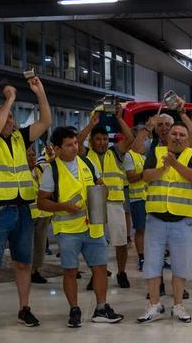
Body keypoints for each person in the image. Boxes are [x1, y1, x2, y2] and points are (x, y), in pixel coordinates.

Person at [0, 76, 52, 333]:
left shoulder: (20, 138)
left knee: (23, 263)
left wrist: (40, 93)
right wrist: (10, 98)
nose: (9, 121)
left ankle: (24, 308)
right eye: (4, 117)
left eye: (11, 118)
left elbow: (45, 121)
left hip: (22, 210)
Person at [37, 127, 121, 327]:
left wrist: (102, 191)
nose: (74, 148)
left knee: (100, 268)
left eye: (76, 143)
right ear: (57, 149)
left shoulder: (88, 163)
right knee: (70, 271)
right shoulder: (51, 171)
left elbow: (100, 185)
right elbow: (41, 202)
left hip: (93, 227)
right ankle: (74, 309)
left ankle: (101, 308)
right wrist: (63, 206)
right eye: (69, 145)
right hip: (68, 230)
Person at [136, 122, 192, 323]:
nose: (178, 137)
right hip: (155, 219)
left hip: (182, 221)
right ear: (167, 136)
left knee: (181, 265)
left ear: (187, 138)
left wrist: (174, 164)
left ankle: (178, 305)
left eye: (182, 134)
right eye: (174, 133)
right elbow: (146, 176)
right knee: (152, 264)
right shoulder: (156, 153)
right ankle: (154, 305)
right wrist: (163, 168)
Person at [78, 108, 136, 288]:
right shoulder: (86, 155)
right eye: (98, 139)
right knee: (95, 241)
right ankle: (96, 274)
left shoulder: (115, 153)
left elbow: (130, 139)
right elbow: (78, 140)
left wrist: (119, 118)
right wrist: (91, 124)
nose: (102, 142)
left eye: (105, 139)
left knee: (121, 241)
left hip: (115, 202)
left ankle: (121, 272)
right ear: (92, 141)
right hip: (93, 203)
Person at [123, 126, 150, 271]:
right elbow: (131, 177)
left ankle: (152, 257)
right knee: (140, 230)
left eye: (146, 140)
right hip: (137, 200)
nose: (145, 143)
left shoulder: (144, 157)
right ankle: (142, 258)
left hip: (149, 199)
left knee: (151, 230)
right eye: (144, 139)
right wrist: (144, 174)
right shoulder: (129, 156)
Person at [28, 146, 53, 284]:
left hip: (43, 214)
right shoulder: (21, 173)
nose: (32, 157)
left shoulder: (40, 169)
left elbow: (54, 162)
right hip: (28, 214)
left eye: (33, 154)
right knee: (28, 245)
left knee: (40, 245)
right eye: (28, 155)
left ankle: (35, 270)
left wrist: (51, 154)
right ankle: (27, 270)